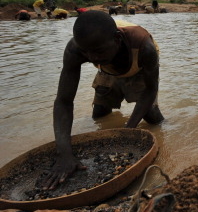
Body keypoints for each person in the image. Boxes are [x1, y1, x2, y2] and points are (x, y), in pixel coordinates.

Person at [42, 11, 164, 189]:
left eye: (97, 52)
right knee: (99, 114)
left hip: (138, 67)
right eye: (87, 52)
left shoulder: (145, 47)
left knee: (152, 117)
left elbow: (150, 89)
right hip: (108, 68)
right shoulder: (77, 49)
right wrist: (64, 154)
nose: (92, 58)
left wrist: (128, 131)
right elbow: (64, 101)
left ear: (117, 39)